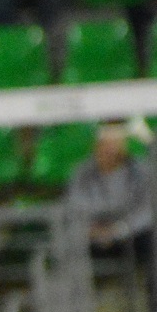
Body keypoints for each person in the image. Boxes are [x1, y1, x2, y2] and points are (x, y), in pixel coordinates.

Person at [63, 122, 154, 287]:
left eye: (114, 144)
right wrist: (93, 230)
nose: (109, 150)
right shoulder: (82, 174)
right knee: (69, 247)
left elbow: (147, 210)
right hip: (92, 237)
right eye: (105, 145)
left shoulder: (140, 171)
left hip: (131, 234)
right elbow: (75, 207)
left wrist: (118, 230)